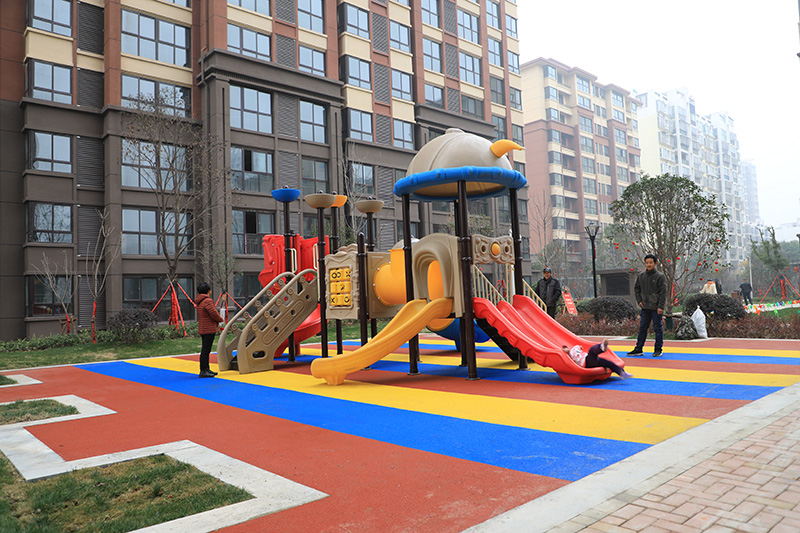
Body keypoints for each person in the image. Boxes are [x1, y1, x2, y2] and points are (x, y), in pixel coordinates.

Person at [628, 254, 667, 357]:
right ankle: (638, 349)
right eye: (647, 263)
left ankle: (658, 349)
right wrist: (639, 301)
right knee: (642, 328)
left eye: (651, 263)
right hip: (645, 307)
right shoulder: (641, 276)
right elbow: (637, 288)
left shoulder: (660, 276)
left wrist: (661, 306)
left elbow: (663, 292)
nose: (649, 265)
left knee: (657, 328)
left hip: (656, 308)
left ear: (655, 263)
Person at [195, 282, 224, 378]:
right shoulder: (207, 301)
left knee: (205, 349)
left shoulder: (200, 301)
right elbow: (213, 313)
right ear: (208, 291)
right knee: (206, 350)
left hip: (203, 328)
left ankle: (206, 369)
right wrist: (221, 319)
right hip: (209, 328)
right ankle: (204, 370)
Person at [562, 340, 633, 379]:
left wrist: (579, 347)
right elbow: (567, 361)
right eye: (564, 349)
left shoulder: (573, 350)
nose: (566, 349)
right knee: (592, 351)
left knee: (607, 362)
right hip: (586, 363)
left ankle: (621, 372)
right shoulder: (568, 357)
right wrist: (564, 352)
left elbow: (577, 347)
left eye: (566, 347)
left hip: (589, 360)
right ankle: (601, 348)